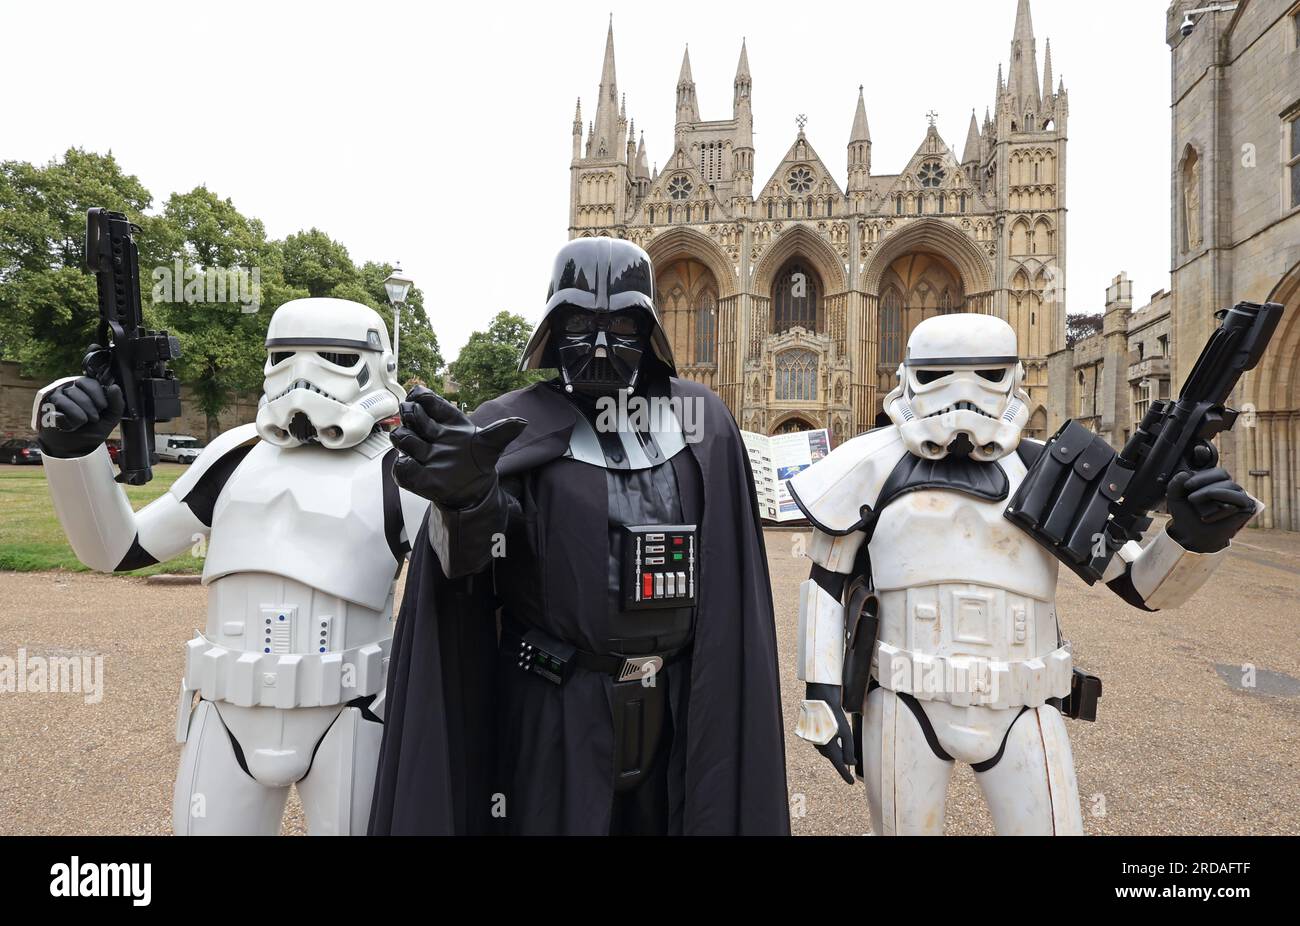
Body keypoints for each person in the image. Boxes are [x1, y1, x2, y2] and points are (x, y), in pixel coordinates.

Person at [370, 236, 789, 835]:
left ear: (647, 330)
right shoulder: (507, 425)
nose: (598, 344)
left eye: (619, 323)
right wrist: (467, 499)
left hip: (677, 701)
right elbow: (470, 564)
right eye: (579, 324)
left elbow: (731, 574)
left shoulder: (703, 422)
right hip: (553, 707)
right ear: (551, 329)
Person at [787, 313, 1260, 835]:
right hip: (903, 700)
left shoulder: (1052, 469)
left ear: (1013, 376)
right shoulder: (870, 466)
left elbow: (1139, 585)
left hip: (1026, 704)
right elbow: (825, 585)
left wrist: (1195, 538)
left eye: (986, 374)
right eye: (937, 376)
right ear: (907, 377)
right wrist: (822, 695)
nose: (961, 397)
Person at [33, 298, 428, 834]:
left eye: (333, 355)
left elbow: (464, 572)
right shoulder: (236, 455)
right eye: (284, 356)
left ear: (379, 367)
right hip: (226, 712)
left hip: (351, 714)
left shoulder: (401, 467)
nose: (302, 375)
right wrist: (73, 451)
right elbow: (118, 549)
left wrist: (468, 493)